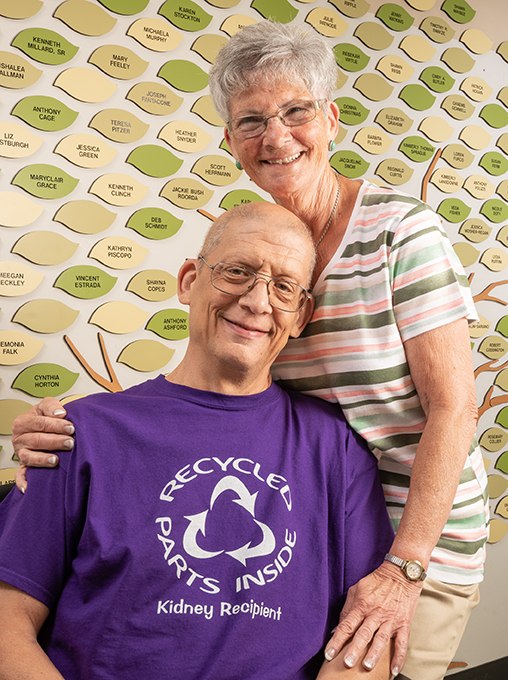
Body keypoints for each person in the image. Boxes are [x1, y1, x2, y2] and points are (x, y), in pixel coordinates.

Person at [11, 20, 488, 680]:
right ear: (232, 141)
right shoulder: (268, 252)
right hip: (319, 515)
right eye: (252, 120)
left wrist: (404, 569)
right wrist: (91, 431)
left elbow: (455, 408)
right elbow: (216, 377)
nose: (277, 136)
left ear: (330, 118)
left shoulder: (401, 234)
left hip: (413, 541)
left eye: (295, 112)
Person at [0, 203, 394, 680]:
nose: (257, 301)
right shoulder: (78, 433)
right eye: (237, 271)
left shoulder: (337, 449)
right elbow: (8, 620)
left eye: (284, 287)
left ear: (300, 315)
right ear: (189, 280)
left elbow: (367, 640)